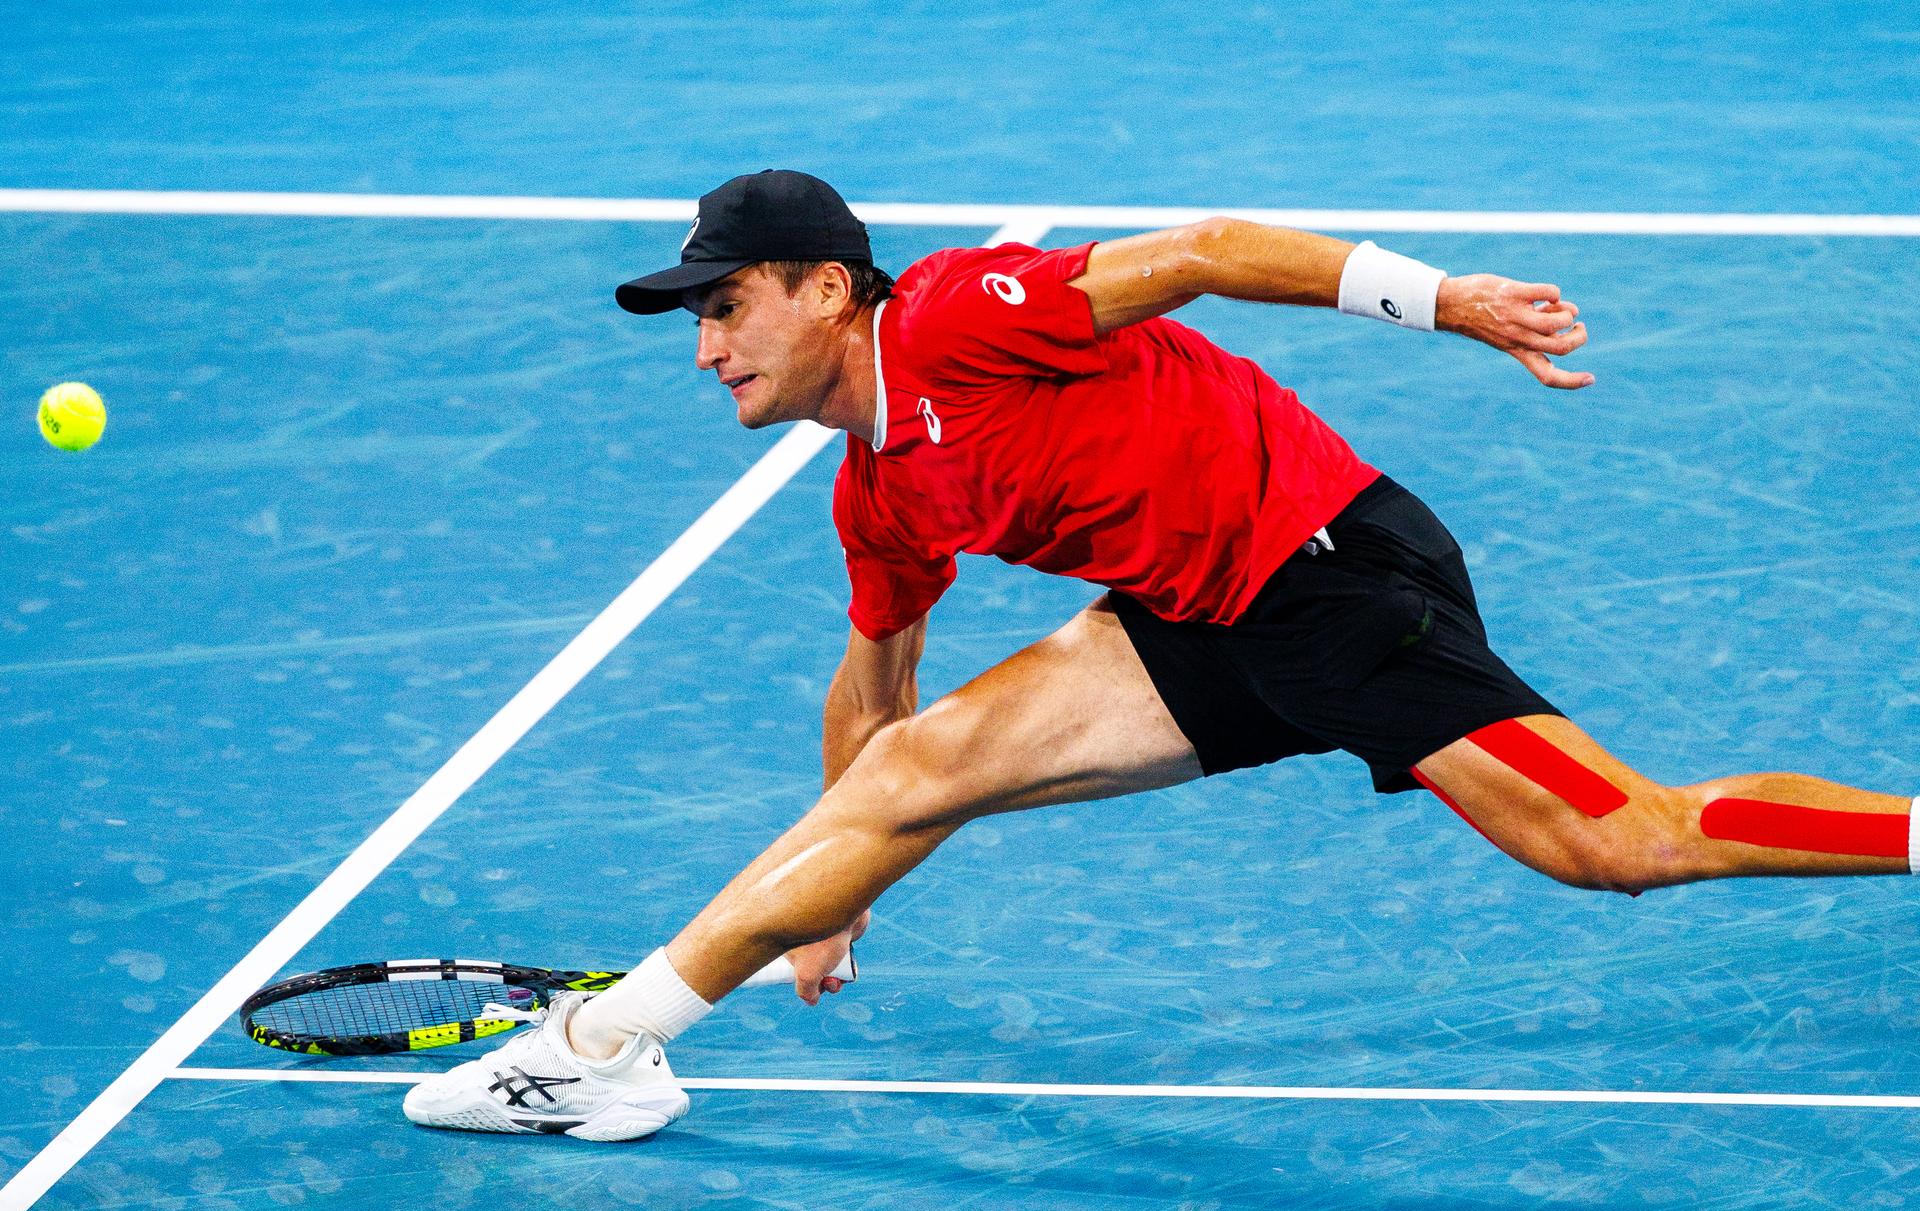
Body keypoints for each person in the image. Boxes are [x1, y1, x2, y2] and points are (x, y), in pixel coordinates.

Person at [402, 170, 1917, 1140]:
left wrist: (1440, 301)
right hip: (1194, 620)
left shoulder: (953, 316)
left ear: (826, 290)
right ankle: (602, 1051)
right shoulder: (884, 487)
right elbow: (873, 696)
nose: (707, 347)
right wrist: (831, 899)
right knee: (917, 769)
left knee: (1615, 840)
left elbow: (1199, 249)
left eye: (726, 307)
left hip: (1327, 571)